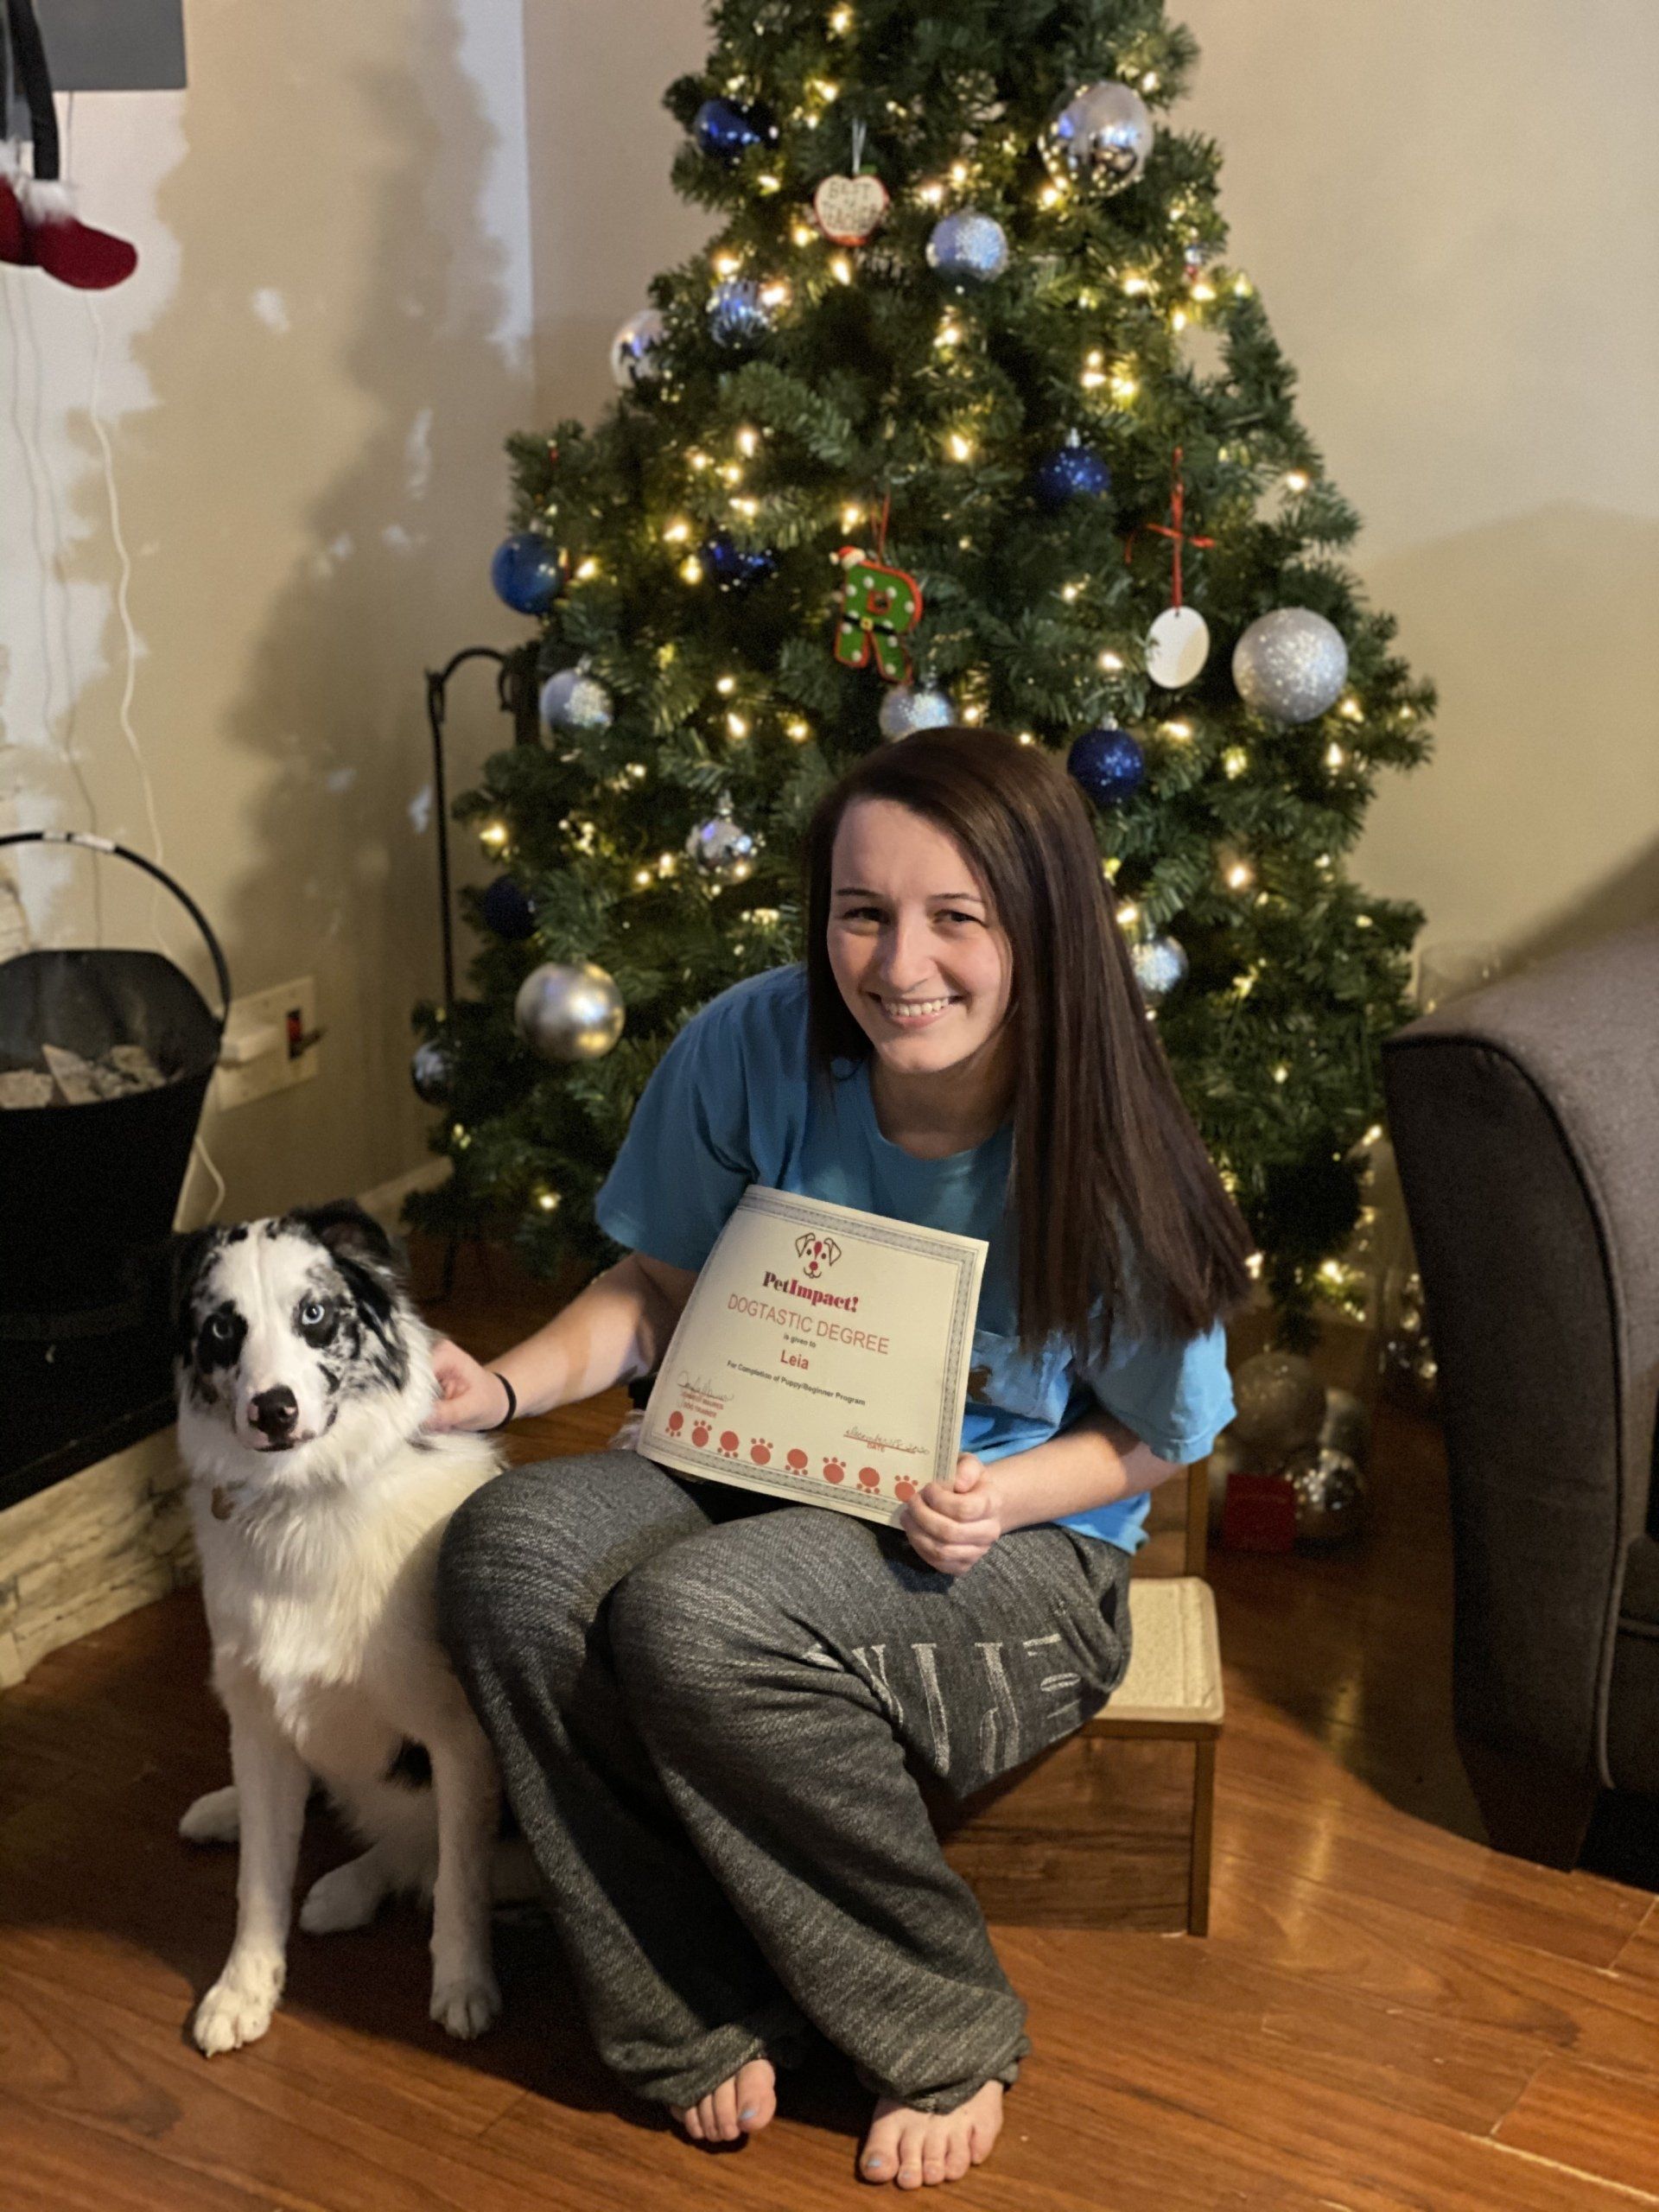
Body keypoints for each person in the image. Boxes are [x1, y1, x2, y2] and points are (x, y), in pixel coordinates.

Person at [429, 727, 1253, 2189]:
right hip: (757, 1460)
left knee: (697, 1616)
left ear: (1040, 927)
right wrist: (493, 1391)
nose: (899, 963)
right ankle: (689, 2001)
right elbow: (647, 1296)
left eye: (957, 918)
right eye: (862, 913)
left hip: (1019, 1544)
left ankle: (939, 2023)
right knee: (510, 1551)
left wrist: (999, 1493)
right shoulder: (751, 1040)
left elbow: (1160, 1444)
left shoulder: (1102, 1130)